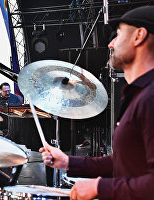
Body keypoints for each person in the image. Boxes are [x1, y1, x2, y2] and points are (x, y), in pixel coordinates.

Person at [40, 6, 154, 200]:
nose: (111, 44)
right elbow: (122, 163)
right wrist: (69, 162)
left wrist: (100, 187)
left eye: (118, 35)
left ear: (139, 36)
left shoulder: (150, 98)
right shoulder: (139, 95)